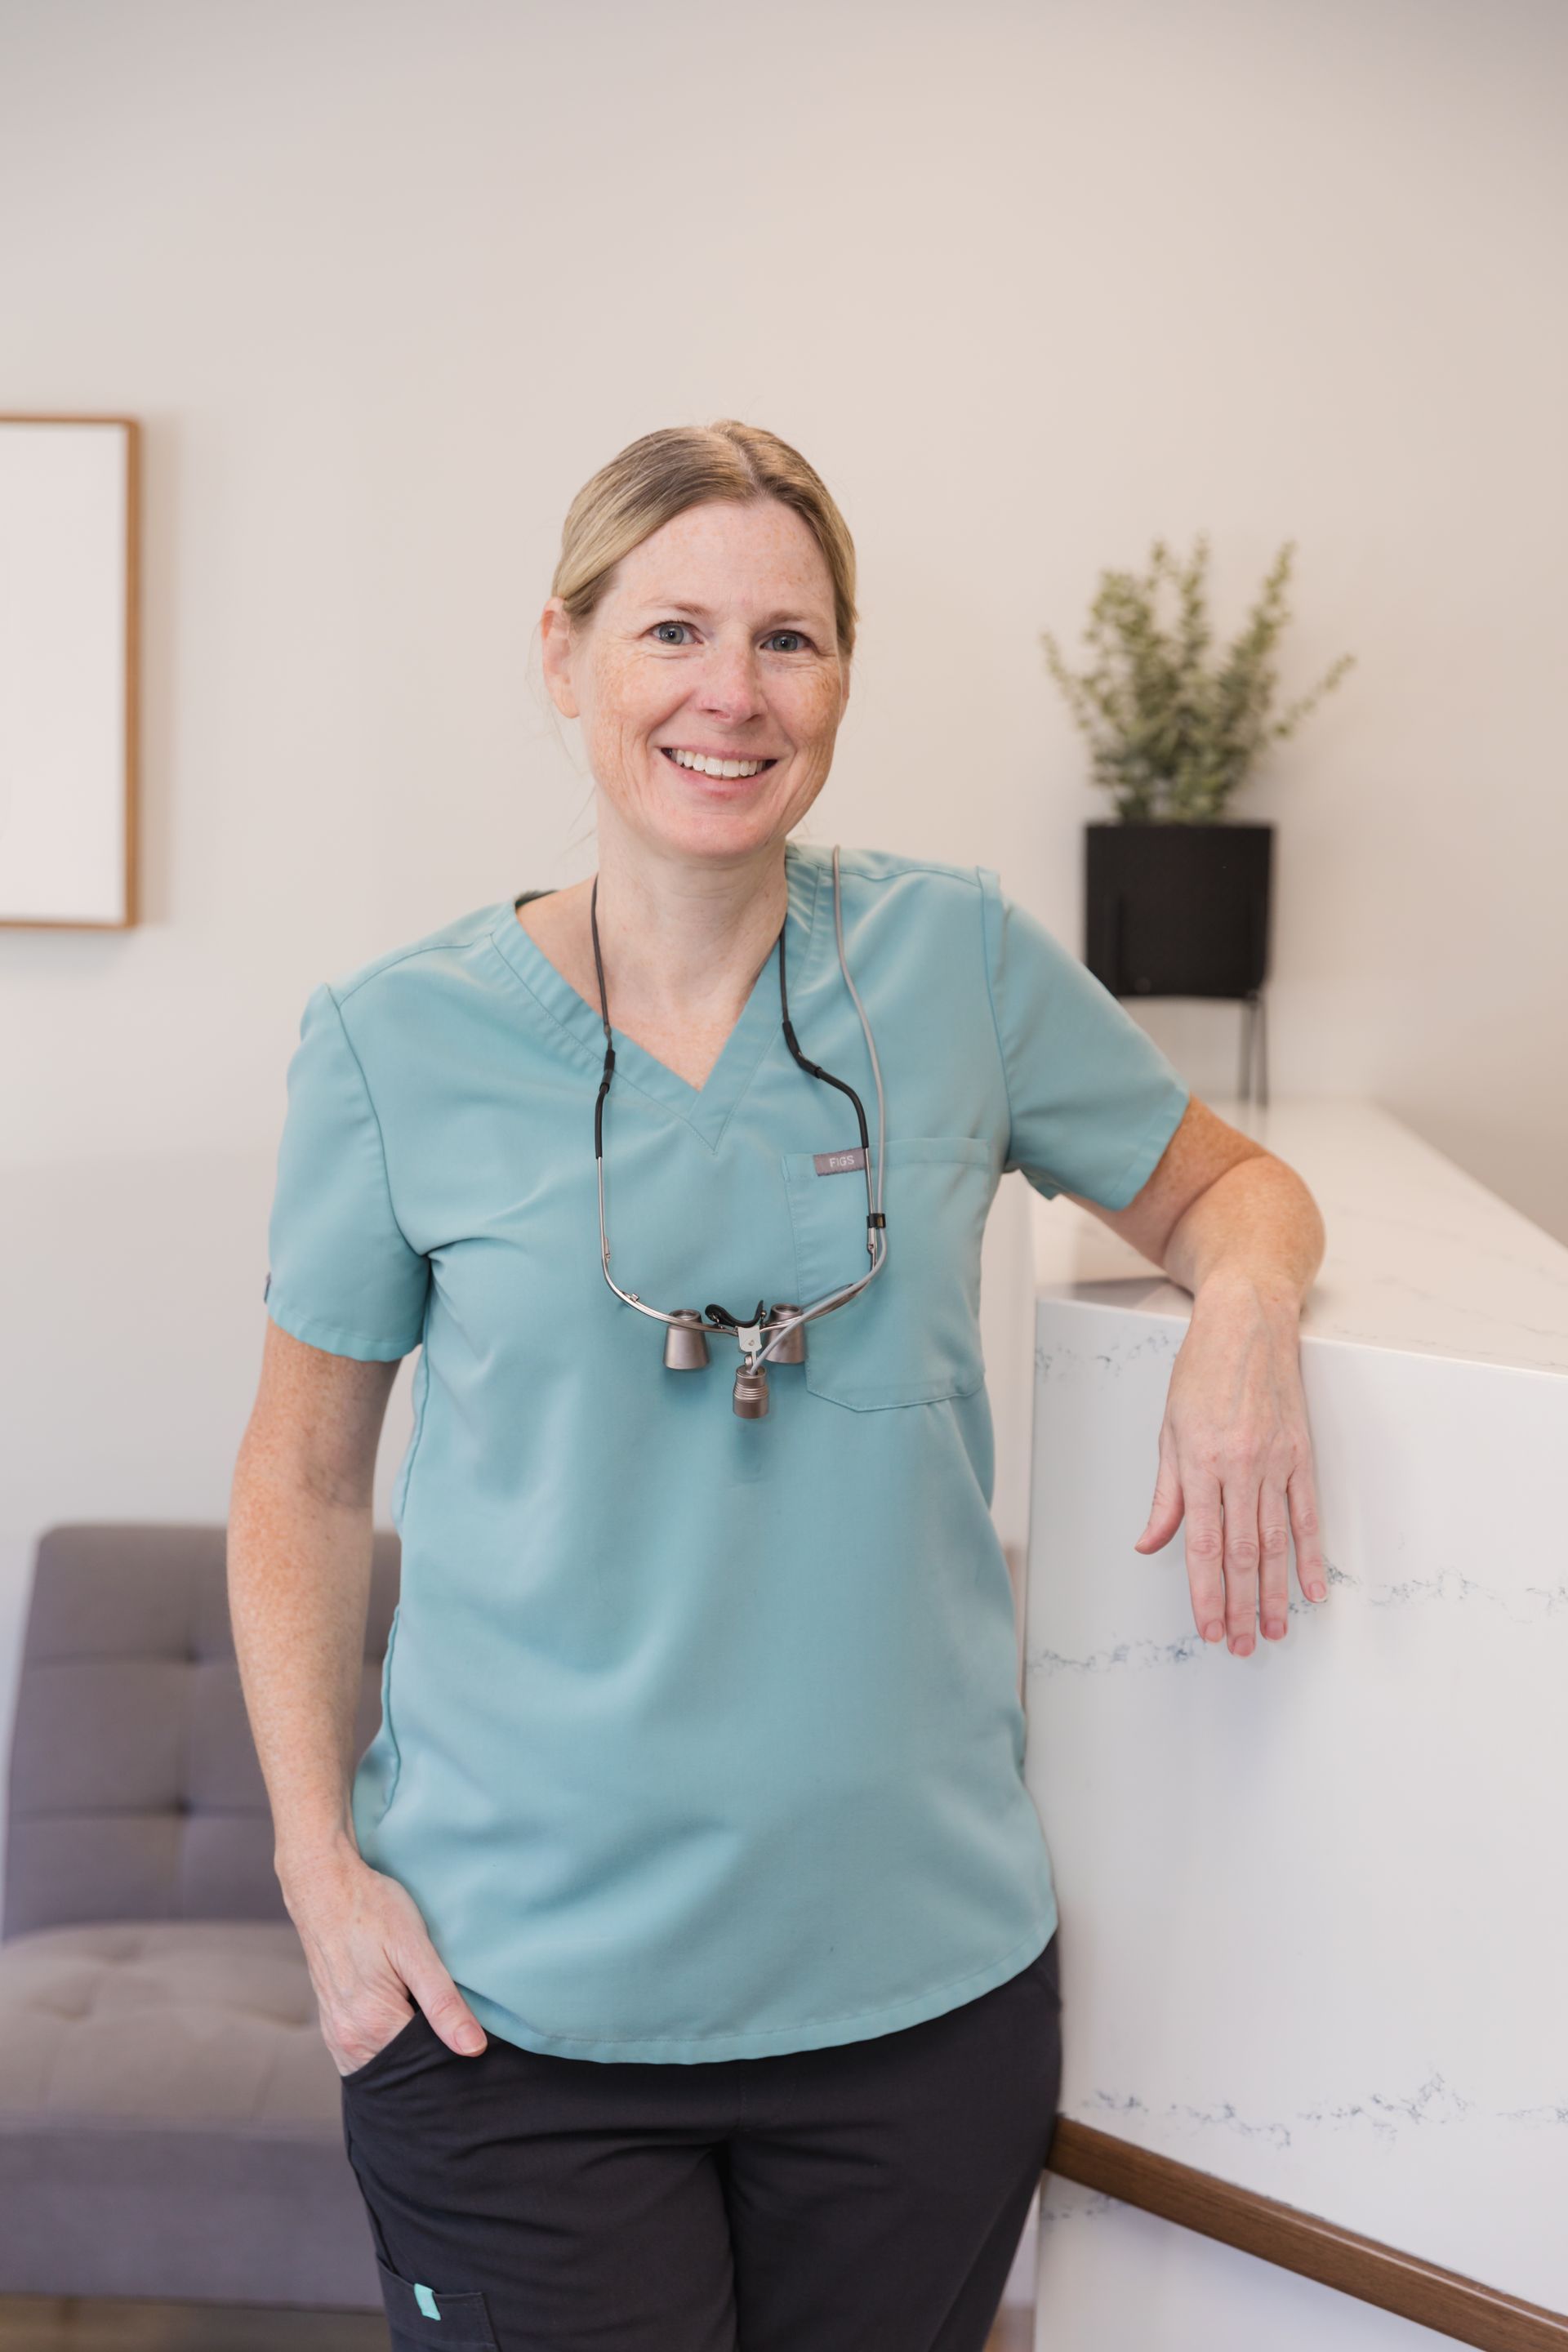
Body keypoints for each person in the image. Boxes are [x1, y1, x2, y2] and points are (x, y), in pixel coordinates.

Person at [229, 420, 1328, 2352]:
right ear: (564, 660)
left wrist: (1242, 1320)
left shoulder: (957, 965)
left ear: (841, 677)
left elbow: (1236, 1189)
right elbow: (301, 1481)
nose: (732, 694)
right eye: (672, 631)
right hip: (507, 2016)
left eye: (791, 641)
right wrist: (321, 1877)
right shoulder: (394, 1042)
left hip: (912, 2012)